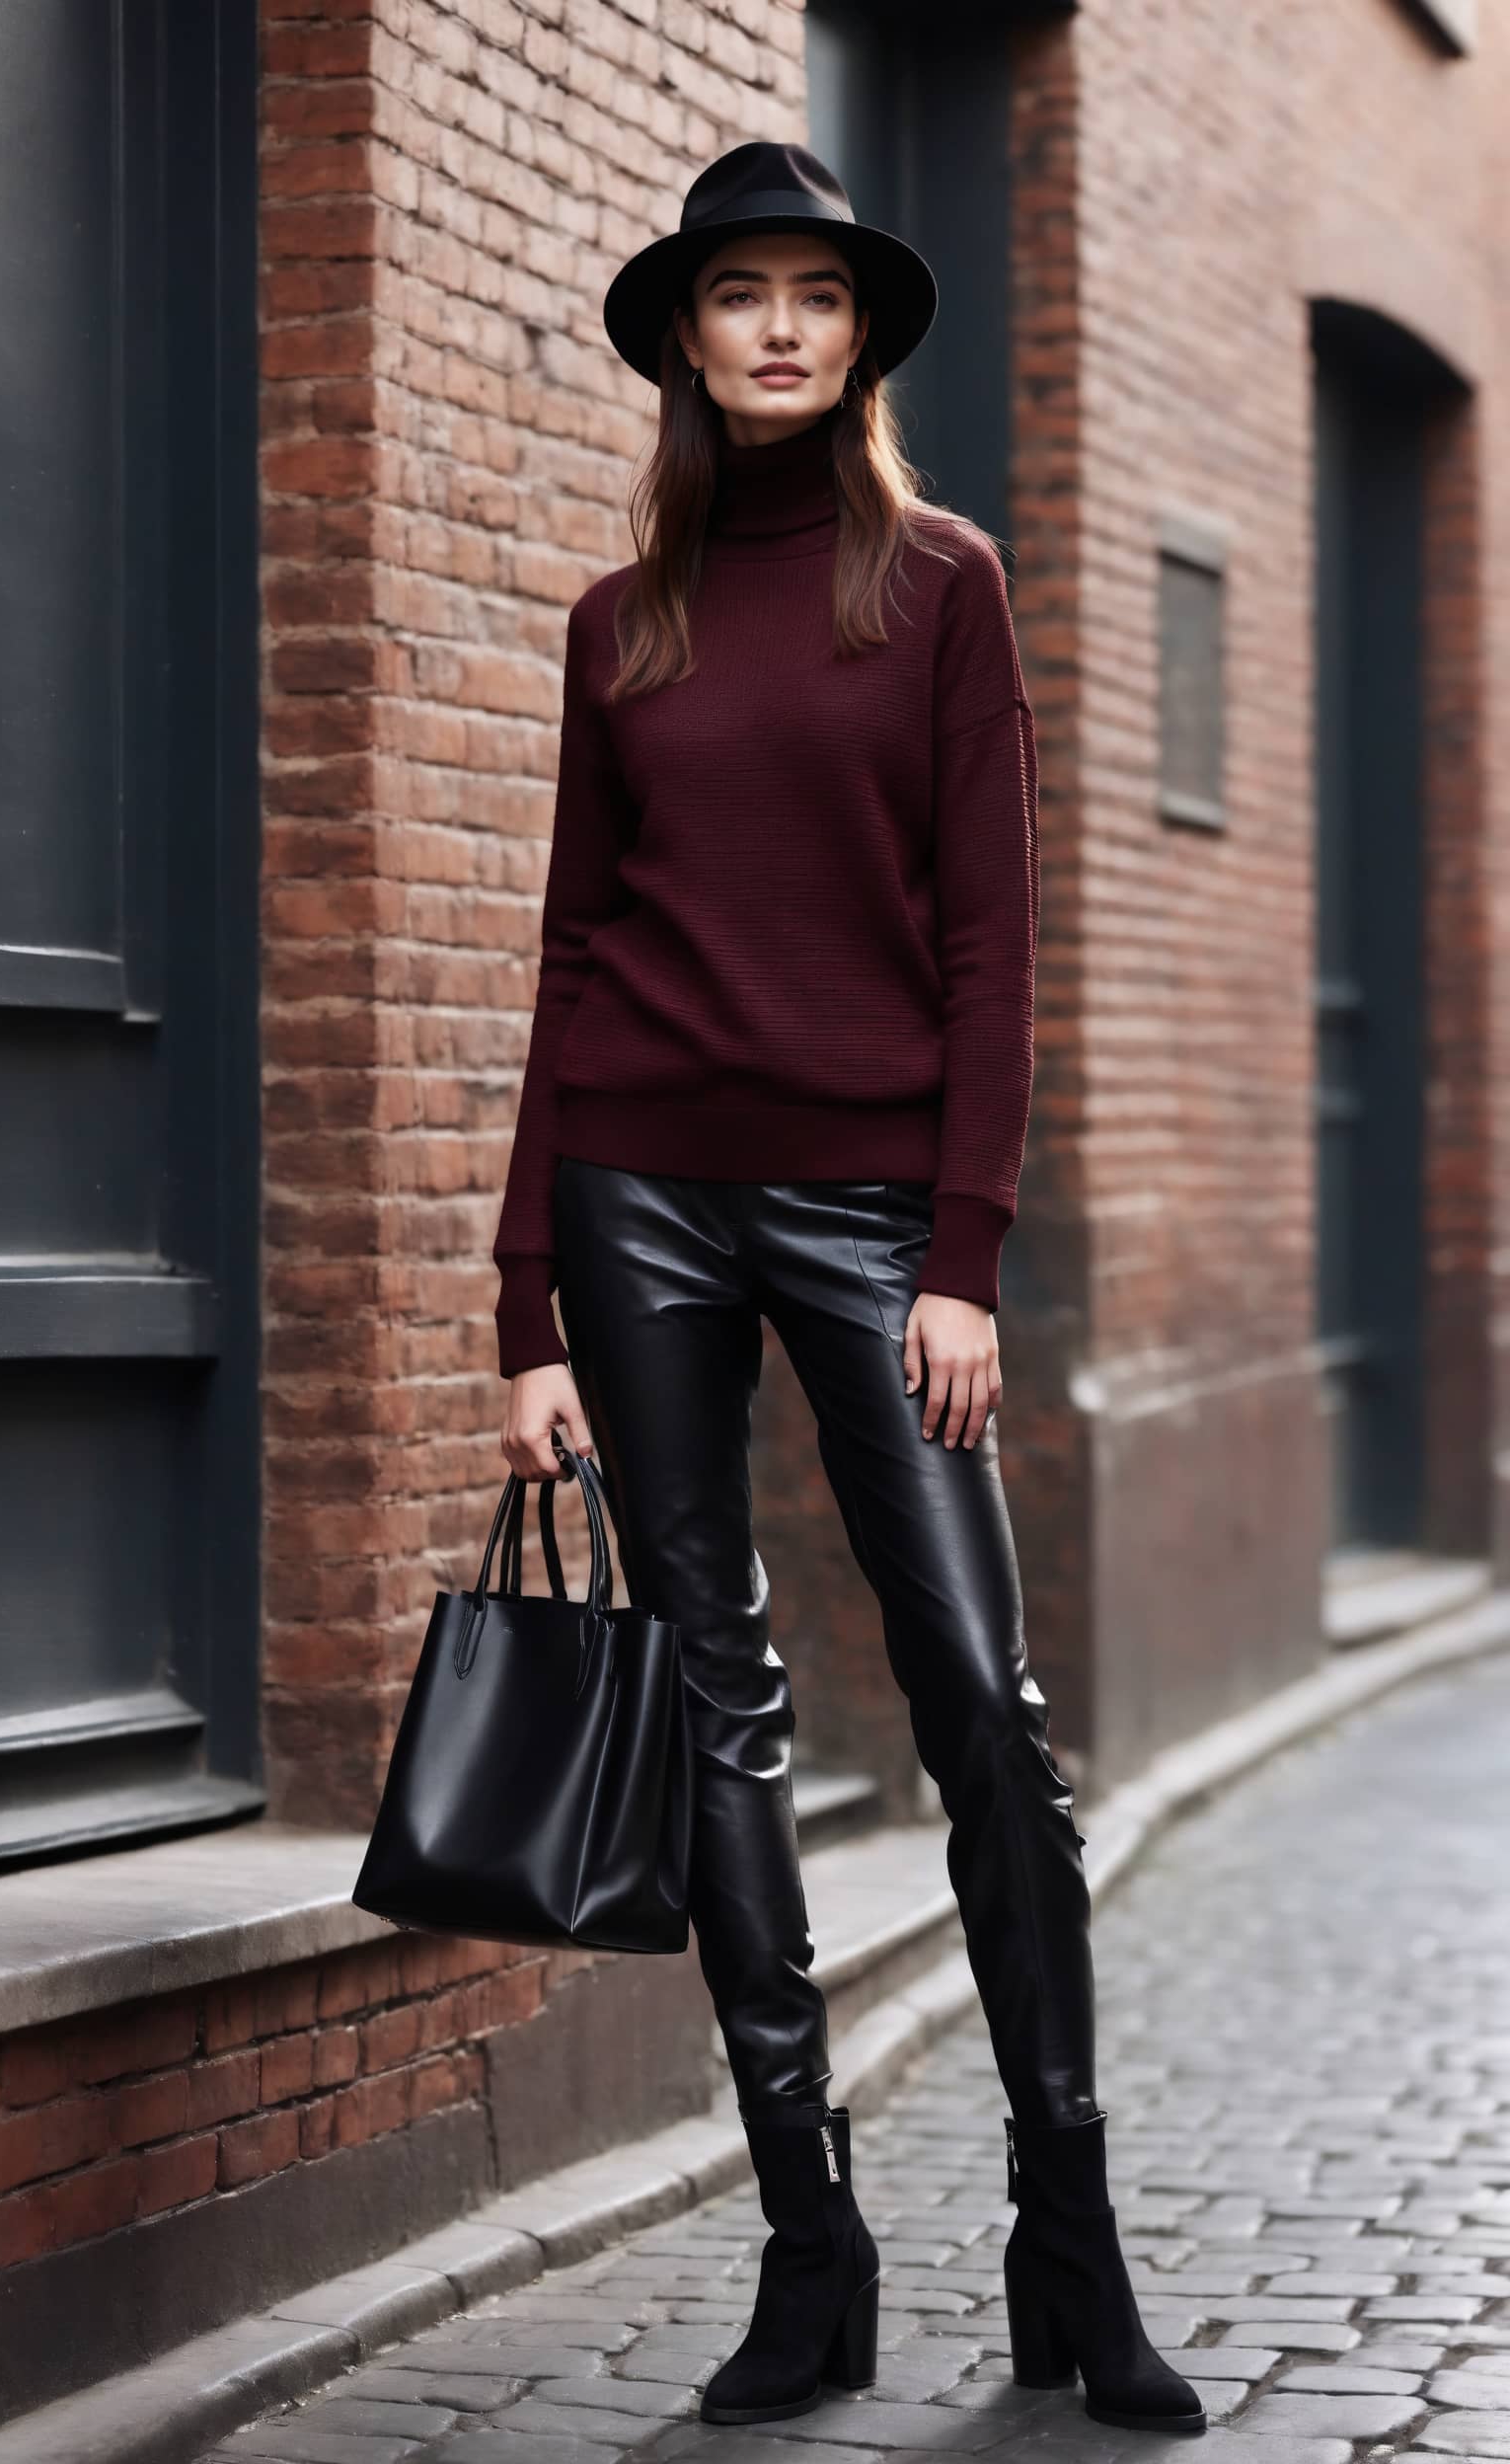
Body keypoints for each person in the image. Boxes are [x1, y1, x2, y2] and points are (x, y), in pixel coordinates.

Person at [490, 141, 1205, 2438]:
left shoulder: (946, 587)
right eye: (739, 298)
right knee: (717, 1702)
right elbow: (570, 949)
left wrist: (964, 1252)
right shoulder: (630, 620)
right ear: (688, 340)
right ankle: (810, 2249)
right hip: (639, 1194)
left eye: (815, 293)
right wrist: (528, 1304)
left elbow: (993, 939)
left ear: (860, 335)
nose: (780, 327)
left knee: (984, 1702)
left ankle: (1066, 2237)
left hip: (874, 1208)